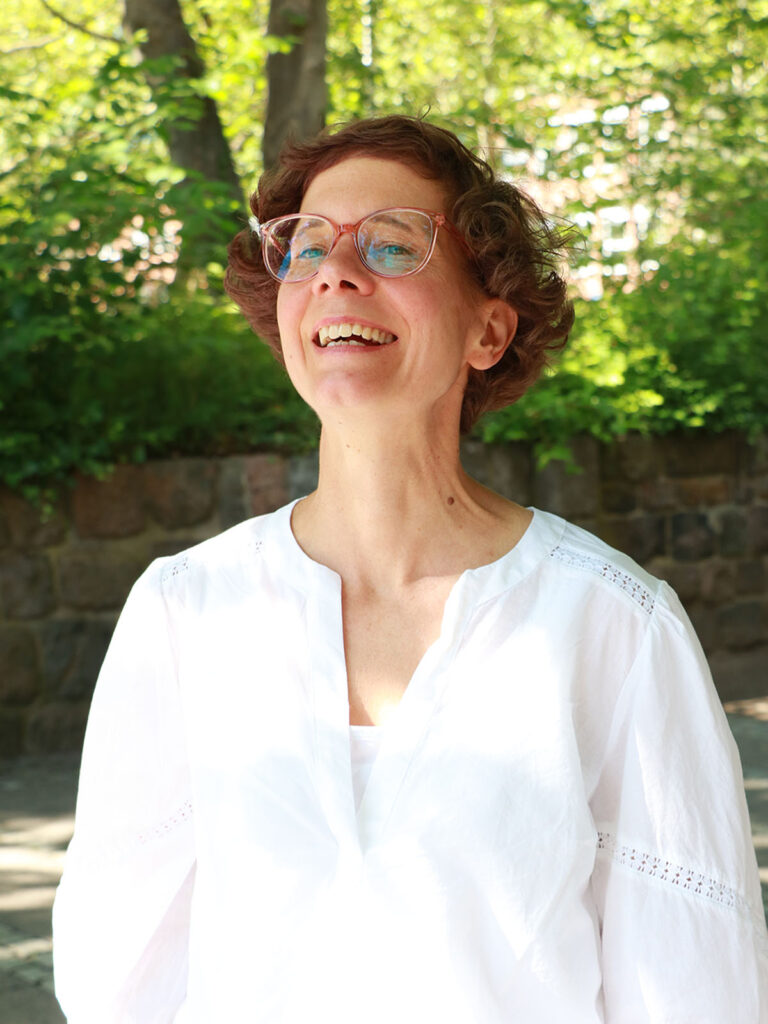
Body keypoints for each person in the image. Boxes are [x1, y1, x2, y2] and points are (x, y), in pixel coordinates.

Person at [53, 115, 768, 1022]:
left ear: (489, 329)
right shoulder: (187, 614)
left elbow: (696, 987)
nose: (335, 272)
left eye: (392, 245)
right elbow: (119, 974)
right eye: (305, 247)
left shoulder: (614, 625)